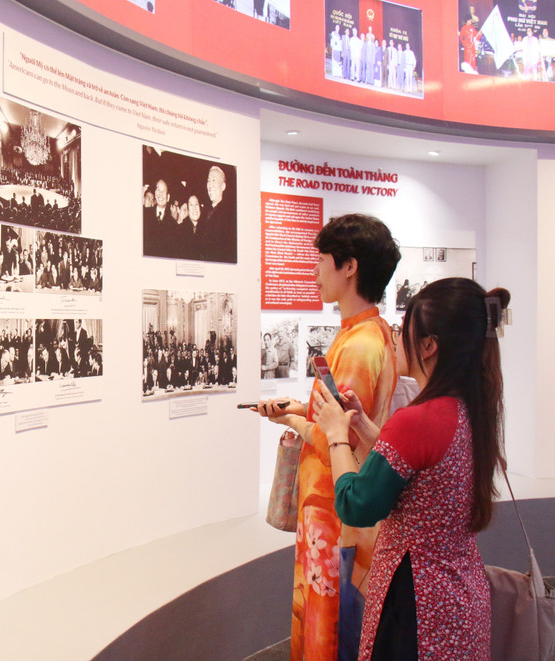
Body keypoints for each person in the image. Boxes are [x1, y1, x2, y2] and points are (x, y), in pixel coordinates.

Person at [312, 278, 507, 659]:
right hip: (460, 599)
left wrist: (336, 434)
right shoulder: (471, 408)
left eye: (404, 329)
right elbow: (416, 470)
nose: (396, 337)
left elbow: (356, 505)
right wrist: (363, 427)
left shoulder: (418, 418)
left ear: (429, 345)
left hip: (416, 604)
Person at [254, 213, 401, 661]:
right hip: (334, 515)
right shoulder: (370, 333)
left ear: (349, 266)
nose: (315, 272)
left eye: (321, 260)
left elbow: (341, 440)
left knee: (329, 632)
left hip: (336, 519)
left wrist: (295, 422)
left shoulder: (358, 345)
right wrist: (302, 409)